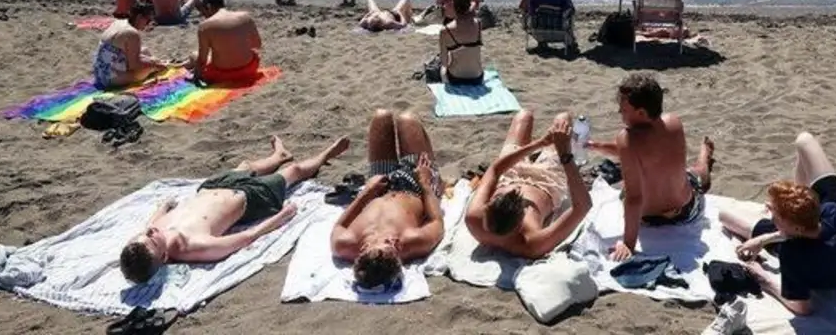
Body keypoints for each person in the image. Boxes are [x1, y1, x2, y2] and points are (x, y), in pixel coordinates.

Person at [119, 134, 349, 283]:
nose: (149, 232)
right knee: (294, 171)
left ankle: (278, 155)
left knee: (246, 165)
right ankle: (325, 155)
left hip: (212, 187)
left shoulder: (148, 236)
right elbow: (247, 237)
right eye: (150, 239)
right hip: (249, 198)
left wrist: (163, 207)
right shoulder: (193, 246)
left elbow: (150, 226)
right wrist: (281, 216)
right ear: (165, 256)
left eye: (141, 237)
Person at [718, 132, 836, 317]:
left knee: (725, 216)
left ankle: (792, 203)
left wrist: (764, 279)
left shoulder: (793, 254)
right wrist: (764, 239)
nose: (767, 207)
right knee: (804, 140)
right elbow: (809, 230)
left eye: (775, 214)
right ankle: (794, 200)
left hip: (824, 269)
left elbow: (802, 308)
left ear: (794, 228)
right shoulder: (833, 213)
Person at [587, 73, 715, 261]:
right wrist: (597, 146)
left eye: (623, 110)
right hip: (685, 210)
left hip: (648, 218)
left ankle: (704, 157)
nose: (619, 112)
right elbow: (643, 151)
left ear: (640, 113)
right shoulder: (673, 122)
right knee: (695, 173)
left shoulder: (627, 139)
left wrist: (628, 243)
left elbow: (634, 197)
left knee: (627, 187)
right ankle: (705, 156)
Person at [331, 109, 445, 289]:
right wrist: (425, 183)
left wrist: (366, 193)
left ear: (362, 251)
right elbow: (436, 221)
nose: (393, 241)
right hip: (413, 187)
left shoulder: (344, 245)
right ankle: (436, 173)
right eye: (395, 249)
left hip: (378, 185)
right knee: (407, 120)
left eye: (386, 243)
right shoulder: (412, 242)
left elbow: (339, 226)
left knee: (381, 116)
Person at [464, 110, 593, 259]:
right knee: (563, 120)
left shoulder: (474, 219)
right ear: (520, 221)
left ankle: (539, 147)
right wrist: (565, 154)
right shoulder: (532, 243)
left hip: (509, 174)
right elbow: (583, 206)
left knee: (524, 116)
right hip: (547, 181)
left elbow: (495, 170)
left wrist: (538, 144)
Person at [187, 0, 263, 85]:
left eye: (204, 12)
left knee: (194, 55)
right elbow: (257, 44)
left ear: (209, 6)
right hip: (249, 69)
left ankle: (186, 63)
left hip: (222, 75)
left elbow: (202, 60)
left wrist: (196, 77)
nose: (205, 16)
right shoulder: (246, 16)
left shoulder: (204, 26)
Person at [93, 2, 172, 89]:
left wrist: (152, 61)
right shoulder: (132, 33)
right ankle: (161, 66)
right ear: (139, 17)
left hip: (100, 70)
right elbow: (134, 65)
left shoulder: (119, 22)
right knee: (146, 70)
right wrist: (154, 64)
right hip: (108, 78)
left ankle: (159, 63)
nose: (148, 24)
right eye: (148, 20)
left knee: (145, 51)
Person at [439, 0, 484, 86]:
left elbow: (444, 62)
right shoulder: (479, 24)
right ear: (468, 7)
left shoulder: (446, 30)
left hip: (456, 77)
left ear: (454, 7)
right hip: (477, 77)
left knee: (439, 68)